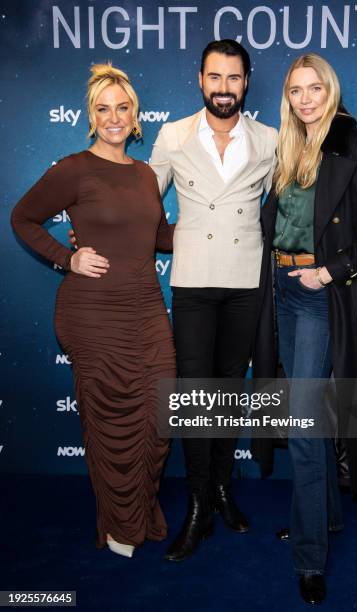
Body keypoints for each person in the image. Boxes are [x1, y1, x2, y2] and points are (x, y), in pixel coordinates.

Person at [11, 63, 175, 558]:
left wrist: (215, 220)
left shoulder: (146, 174)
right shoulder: (74, 168)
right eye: (103, 109)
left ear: (135, 115)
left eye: (122, 108)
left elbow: (160, 238)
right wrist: (68, 257)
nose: (113, 118)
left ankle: (139, 509)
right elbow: (23, 218)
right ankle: (121, 525)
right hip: (93, 314)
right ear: (91, 116)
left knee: (159, 414)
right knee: (110, 425)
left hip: (147, 310)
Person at [254, 53, 357, 603]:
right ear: (287, 97)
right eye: (295, 90)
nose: (306, 99)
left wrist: (329, 272)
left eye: (315, 88)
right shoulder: (286, 149)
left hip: (317, 297)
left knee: (306, 427)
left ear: (330, 91)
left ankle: (309, 558)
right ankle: (323, 518)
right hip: (281, 291)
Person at [149, 40, 278, 561]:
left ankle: (221, 488)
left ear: (246, 82)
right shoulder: (173, 135)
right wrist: (94, 233)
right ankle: (199, 505)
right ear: (200, 80)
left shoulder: (269, 139)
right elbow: (143, 203)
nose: (224, 88)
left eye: (234, 78)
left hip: (246, 282)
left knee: (228, 393)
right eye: (214, 78)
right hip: (195, 282)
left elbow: (276, 204)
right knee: (195, 396)